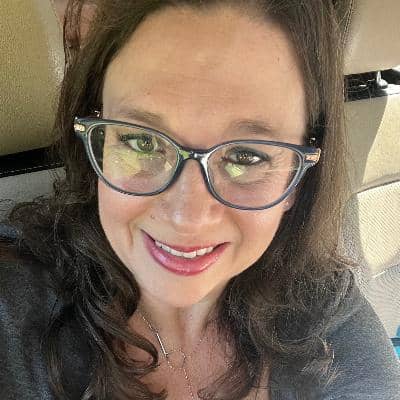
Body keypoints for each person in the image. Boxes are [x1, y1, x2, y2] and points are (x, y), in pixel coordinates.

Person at [1, 1, 399, 399]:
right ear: (98, 147)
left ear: (297, 181)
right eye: (142, 142)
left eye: (246, 156)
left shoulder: (322, 307)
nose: (186, 217)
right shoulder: (14, 310)